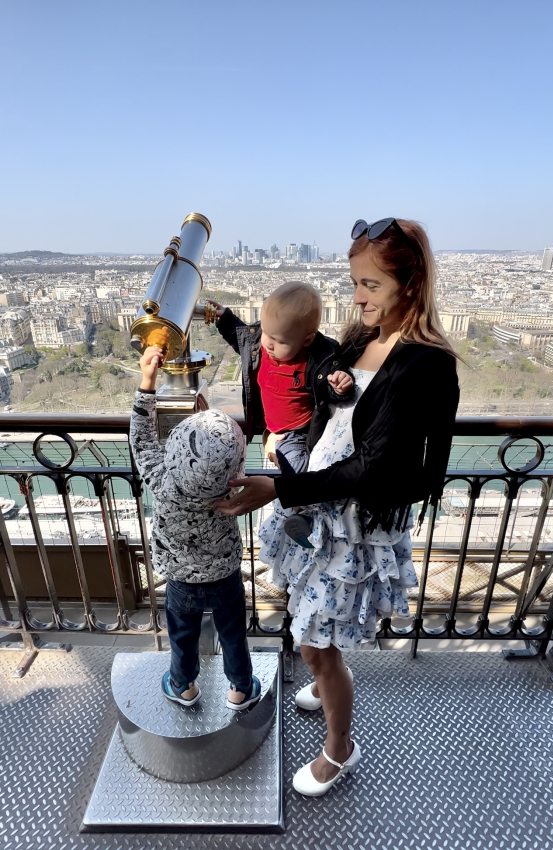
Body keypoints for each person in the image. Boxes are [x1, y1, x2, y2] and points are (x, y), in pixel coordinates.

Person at [215, 217, 460, 796]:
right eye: (356, 283)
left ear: (412, 282)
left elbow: (379, 467)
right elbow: (330, 408)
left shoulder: (425, 363)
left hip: (353, 522)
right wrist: (333, 391)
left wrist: (279, 488)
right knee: (307, 612)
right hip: (323, 507)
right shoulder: (359, 340)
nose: (357, 297)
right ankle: (325, 681)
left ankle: (340, 750)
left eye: (371, 285)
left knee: (316, 643)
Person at [130, 345, 261, 711]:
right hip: (224, 576)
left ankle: (183, 686)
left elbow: (140, 438)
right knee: (233, 633)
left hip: (180, 578)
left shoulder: (161, 480)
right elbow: (221, 459)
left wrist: (148, 381)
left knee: (182, 635)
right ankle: (240, 689)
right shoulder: (233, 489)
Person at [210, 281, 354, 475]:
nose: (268, 344)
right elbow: (241, 339)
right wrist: (225, 319)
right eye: (266, 333)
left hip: (297, 432)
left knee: (296, 467)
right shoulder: (261, 347)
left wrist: (340, 387)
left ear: (307, 341)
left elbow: (329, 390)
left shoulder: (319, 359)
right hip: (272, 426)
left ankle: (298, 501)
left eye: (279, 341)